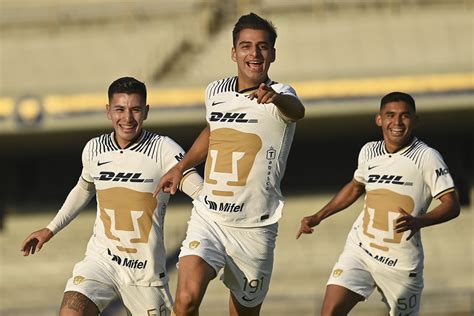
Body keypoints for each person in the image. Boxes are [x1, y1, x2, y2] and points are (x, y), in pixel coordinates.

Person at [155, 12, 305, 316]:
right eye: (246, 46)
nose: (255, 53)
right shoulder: (215, 91)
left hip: (255, 228)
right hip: (210, 218)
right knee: (185, 301)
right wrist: (180, 167)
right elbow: (214, 131)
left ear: (272, 53)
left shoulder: (282, 95)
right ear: (234, 52)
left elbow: (297, 111)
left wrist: (275, 98)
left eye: (262, 47)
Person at [21, 77, 203, 316]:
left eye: (135, 110)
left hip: (145, 274)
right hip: (101, 261)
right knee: (70, 312)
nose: (127, 118)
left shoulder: (164, 149)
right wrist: (50, 229)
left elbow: (202, 194)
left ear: (146, 112)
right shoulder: (94, 149)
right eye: (119, 109)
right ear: (108, 111)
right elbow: (84, 189)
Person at [297, 91, 460, 316]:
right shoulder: (369, 151)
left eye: (404, 116)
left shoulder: (427, 157)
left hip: (401, 263)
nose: (397, 122)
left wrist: (419, 221)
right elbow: (355, 187)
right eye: (390, 115)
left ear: (415, 120)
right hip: (361, 250)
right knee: (330, 311)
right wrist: (318, 216)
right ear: (379, 119)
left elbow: (452, 204)